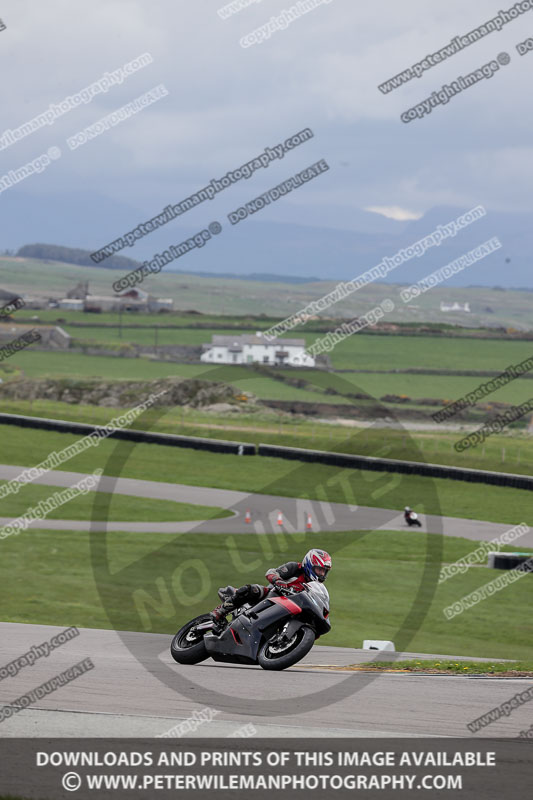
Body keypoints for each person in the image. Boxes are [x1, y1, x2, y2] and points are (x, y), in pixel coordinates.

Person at [210, 548, 332, 624]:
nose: (321, 574)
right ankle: (220, 611)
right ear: (310, 564)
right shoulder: (295, 568)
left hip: (289, 608)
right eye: (319, 569)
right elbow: (271, 572)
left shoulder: (315, 586)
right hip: (272, 595)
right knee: (253, 590)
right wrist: (278, 581)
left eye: (324, 571)